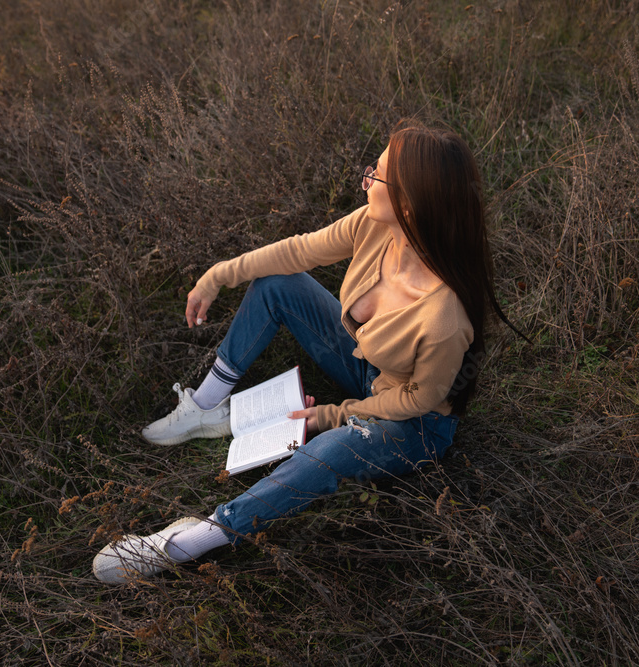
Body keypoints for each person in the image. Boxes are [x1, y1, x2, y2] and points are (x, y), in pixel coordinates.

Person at [93, 121, 519, 584]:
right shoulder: (375, 226)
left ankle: (201, 536)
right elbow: (299, 253)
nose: (366, 180)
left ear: (411, 204)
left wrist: (334, 415)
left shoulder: (444, 317)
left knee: (331, 450)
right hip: (370, 369)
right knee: (281, 284)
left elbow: (418, 400)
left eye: (376, 176)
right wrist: (219, 274)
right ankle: (208, 404)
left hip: (415, 422)